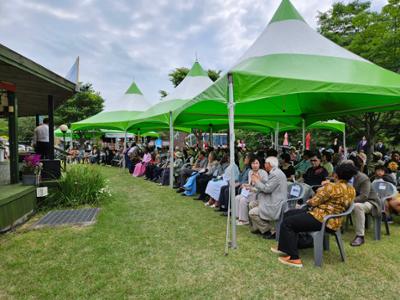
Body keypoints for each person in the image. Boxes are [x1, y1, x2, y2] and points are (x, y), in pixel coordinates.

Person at [271, 162, 357, 268]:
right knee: (289, 213)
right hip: (334, 220)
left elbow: (313, 202)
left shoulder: (331, 187)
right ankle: (287, 247)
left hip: (321, 219)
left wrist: (319, 191)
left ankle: (294, 258)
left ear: (336, 174)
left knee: (288, 223)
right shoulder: (352, 190)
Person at [248, 156, 287, 238]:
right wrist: (260, 180)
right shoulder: (275, 172)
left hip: (275, 203)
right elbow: (269, 184)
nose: (264, 164)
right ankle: (258, 228)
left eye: (265, 163)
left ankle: (269, 230)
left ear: (269, 164)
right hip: (272, 199)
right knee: (252, 204)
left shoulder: (275, 174)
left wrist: (257, 181)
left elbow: (267, 189)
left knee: (252, 213)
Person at [346, 159, 380, 247]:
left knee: (357, 206)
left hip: (370, 201)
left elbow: (364, 196)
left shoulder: (363, 178)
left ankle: (360, 236)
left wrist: (348, 201)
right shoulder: (345, 177)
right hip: (355, 200)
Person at [235, 157, 268, 225]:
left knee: (243, 200)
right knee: (237, 198)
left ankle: (244, 220)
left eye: (256, 163)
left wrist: (251, 189)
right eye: (253, 163)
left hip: (259, 193)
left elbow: (264, 187)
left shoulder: (263, 173)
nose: (255, 165)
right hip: (250, 192)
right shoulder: (250, 172)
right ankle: (238, 217)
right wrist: (246, 185)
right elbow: (251, 184)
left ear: (259, 164)